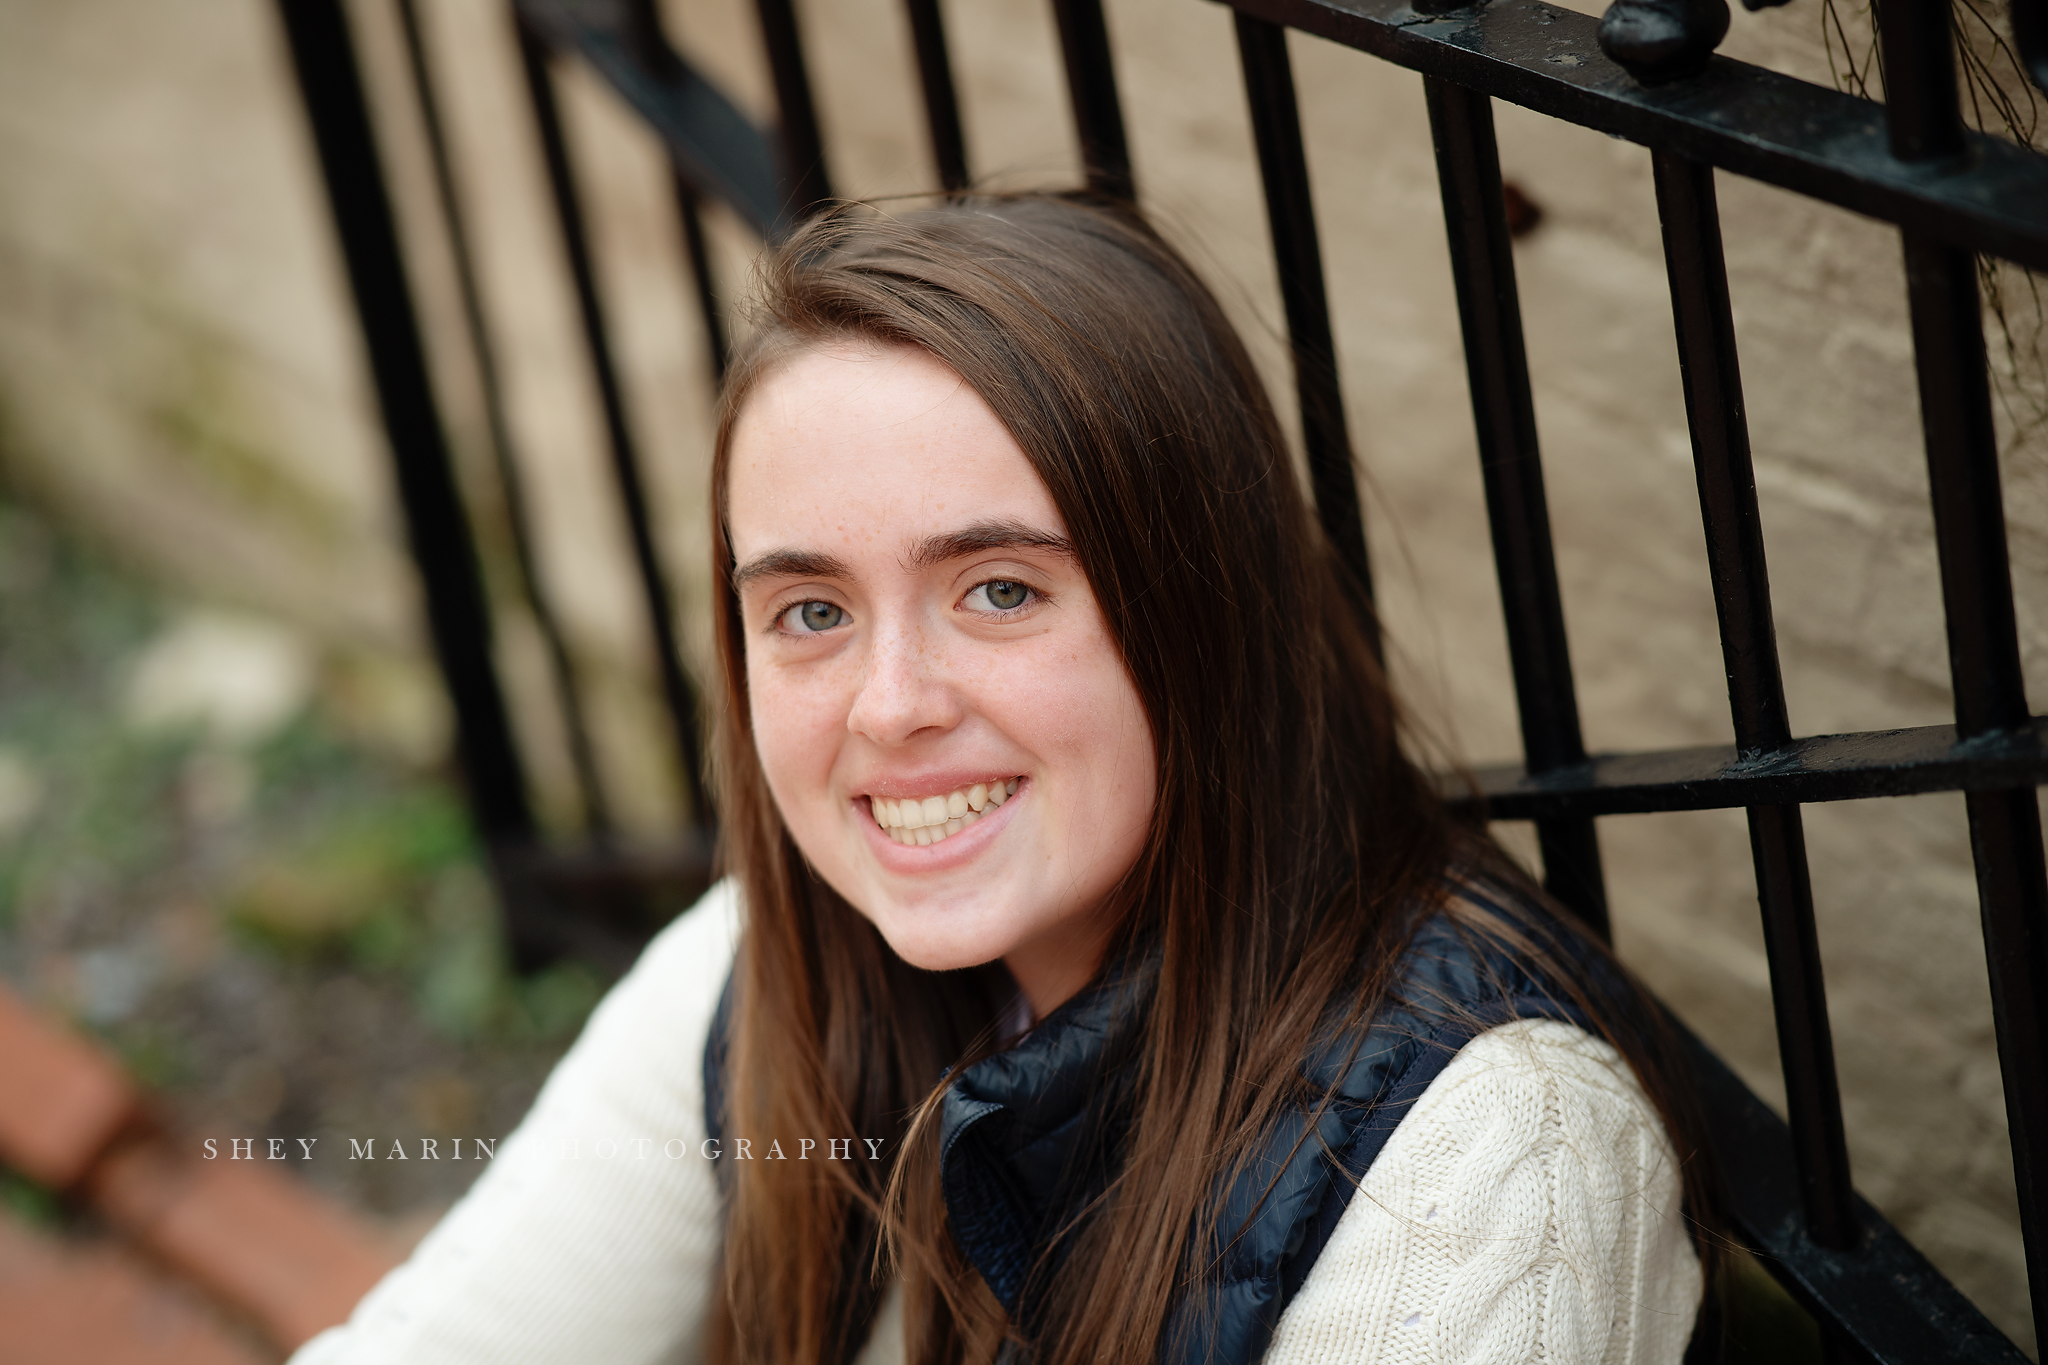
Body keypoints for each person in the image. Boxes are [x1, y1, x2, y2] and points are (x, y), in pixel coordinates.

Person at [292, 194, 1708, 1365]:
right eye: (812, 611)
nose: (891, 707)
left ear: (1203, 613)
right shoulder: (768, 963)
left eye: (1002, 590)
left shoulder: (1490, 1164)